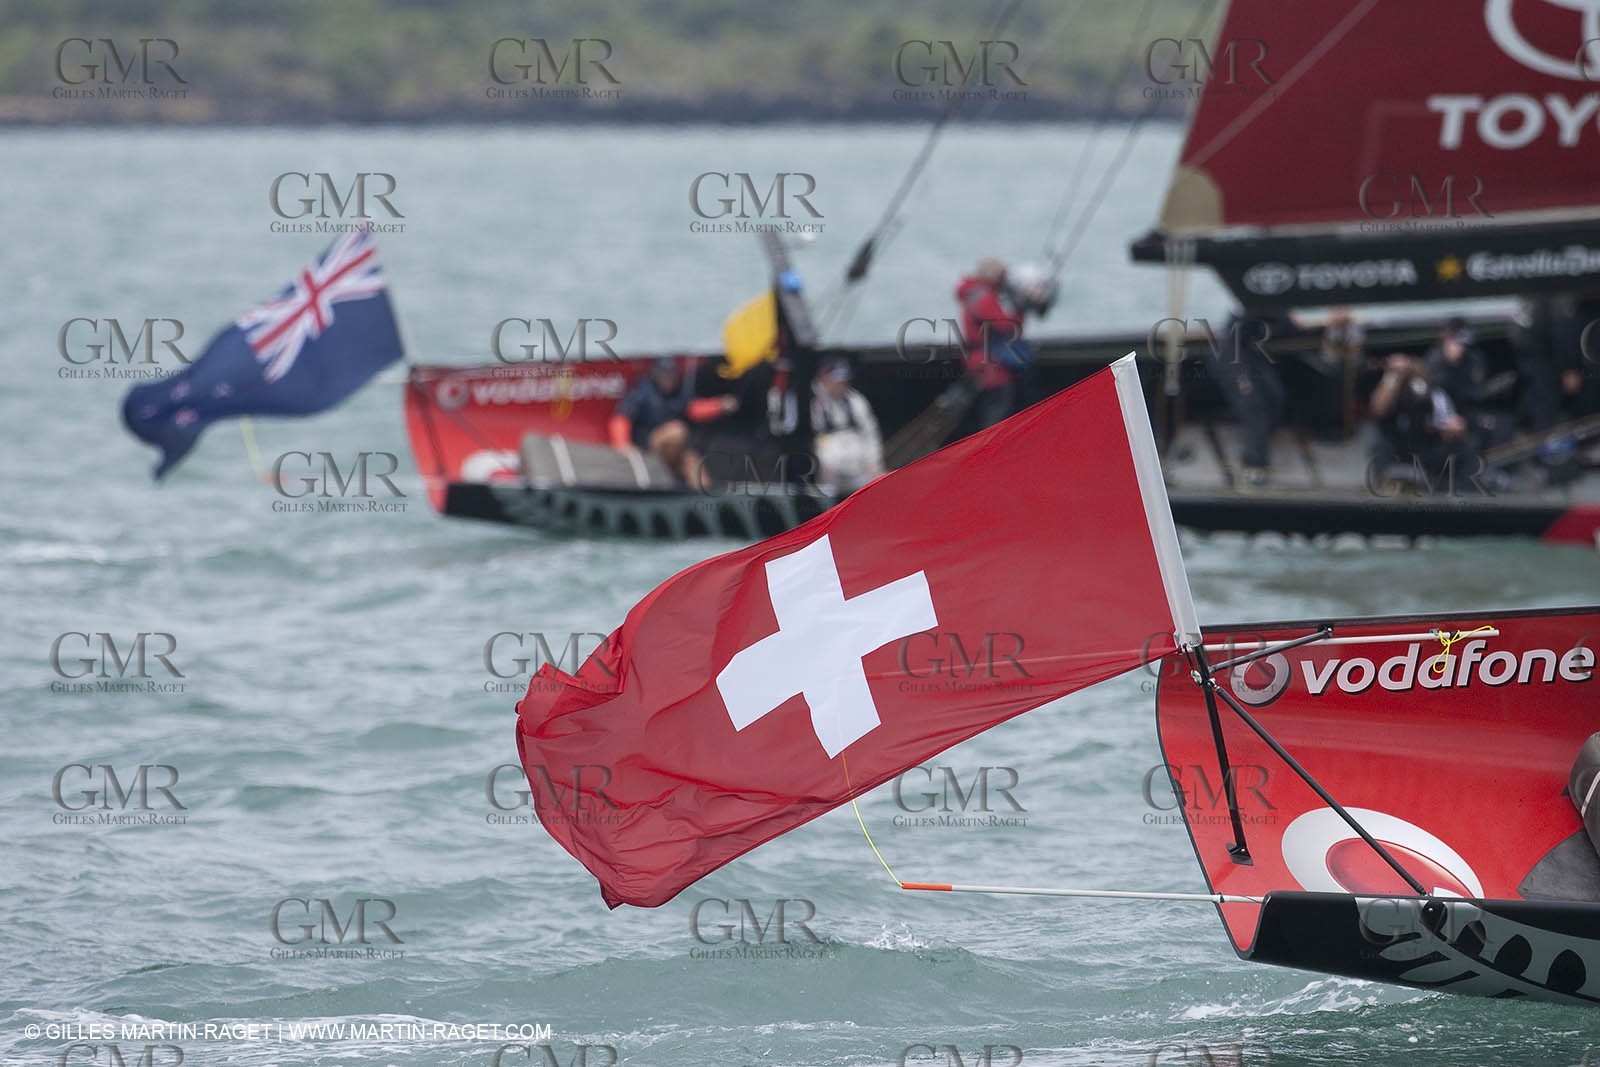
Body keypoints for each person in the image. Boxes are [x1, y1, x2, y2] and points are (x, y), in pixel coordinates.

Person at [607, 356, 731, 484]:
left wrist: (719, 405)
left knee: (694, 465)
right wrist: (623, 445)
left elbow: (693, 408)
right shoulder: (643, 390)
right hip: (649, 446)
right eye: (664, 375)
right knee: (676, 430)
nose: (668, 380)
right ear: (656, 375)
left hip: (677, 451)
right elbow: (621, 418)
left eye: (671, 375)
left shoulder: (680, 390)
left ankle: (699, 500)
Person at [1367, 352, 1476, 488]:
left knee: (1462, 445)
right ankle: (1386, 482)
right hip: (1397, 448)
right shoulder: (1390, 393)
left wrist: (1452, 426)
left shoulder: (1432, 394)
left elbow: (1452, 422)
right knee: (1379, 443)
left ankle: (1454, 487)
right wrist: (1393, 376)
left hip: (1424, 449)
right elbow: (1378, 408)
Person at [955, 257, 1034, 429]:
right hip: (990, 364)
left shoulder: (972, 293)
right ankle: (991, 448)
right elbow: (1007, 327)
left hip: (976, 359)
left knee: (988, 408)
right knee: (997, 410)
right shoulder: (985, 297)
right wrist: (1021, 308)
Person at [1423, 316, 1503, 449]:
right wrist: (1446, 420)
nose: (1459, 348)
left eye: (1462, 344)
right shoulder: (1433, 362)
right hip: (1440, 417)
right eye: (1454, 342)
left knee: (1494, 424)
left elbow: (1475, 392)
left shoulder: (1472, 360)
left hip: (1466, 411)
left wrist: (1494, 388)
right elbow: (1432, 396)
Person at [809, 356, 884, 493]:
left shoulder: (856, 400)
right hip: (828, 471)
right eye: (837, 380)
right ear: (824, 378)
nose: (843, 385)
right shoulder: (810, 401)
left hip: (858, 469)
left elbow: (871, 433)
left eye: (845, 381)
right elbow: (813, 439)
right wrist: (824, 465)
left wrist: (874, 463)